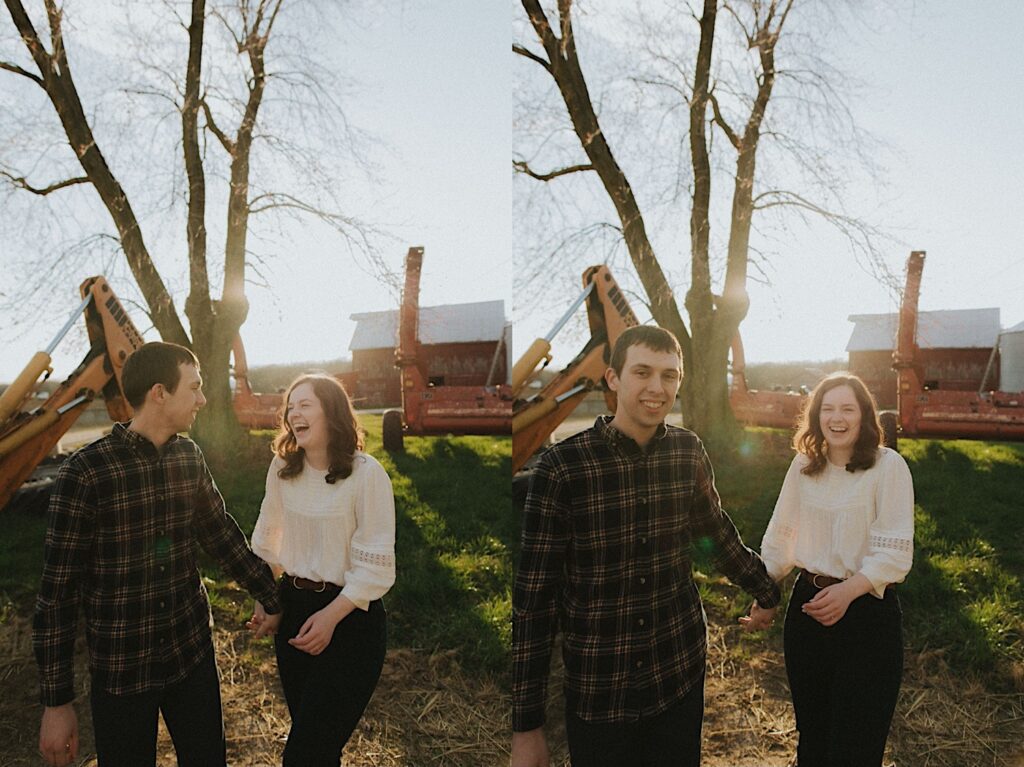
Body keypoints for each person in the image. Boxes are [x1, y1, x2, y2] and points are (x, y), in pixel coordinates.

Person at [511, 325, 782, 767]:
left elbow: (716, 535)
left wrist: (766, 591)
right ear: (613, 379)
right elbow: (533, 604)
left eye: (670, 376)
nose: (657, 388)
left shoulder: (686, 452)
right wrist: (527, 727)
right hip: (601, 691)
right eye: (642, 372)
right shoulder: (563, 469)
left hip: (678, 672)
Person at [33, 341, 283, 767]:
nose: (203, 399)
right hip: (121, 671)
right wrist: (57, 703)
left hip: (192, 655)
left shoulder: (189, 457)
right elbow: (57, 595)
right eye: (195, 387)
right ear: (159, 392)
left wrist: (272, 596)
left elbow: (221, 535)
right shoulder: (86, 473)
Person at [741, 372, 914, 766]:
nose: (837, 418)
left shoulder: (889, 468)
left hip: (868, 613)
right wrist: (765, 598)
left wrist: (849, 590)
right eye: (828, 409)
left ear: (864, 416)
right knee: (814, 737)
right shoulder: (804, 466)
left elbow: (895, 550)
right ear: (817, 416)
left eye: (848, 409)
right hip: (808, 611)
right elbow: (781, 537)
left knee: (856, 743)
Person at [248, 373, 395, 766]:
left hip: (350, 622)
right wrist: (268, 600)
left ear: (331, 413)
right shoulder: (283, 469)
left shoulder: (367, 474)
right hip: (294, 614)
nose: (295, 413)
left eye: (305, 405)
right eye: (290, 407)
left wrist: (330, 618)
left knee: (303, 755)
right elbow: (268, 539)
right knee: (318, 748)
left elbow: (376, 567)